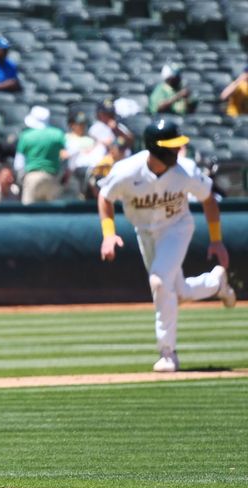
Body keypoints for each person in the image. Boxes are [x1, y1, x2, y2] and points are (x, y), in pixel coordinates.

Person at [97, 119, 236, 373]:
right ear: (156, 148)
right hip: (145, 232)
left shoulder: (186, 170)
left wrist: (216, 240)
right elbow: (105, 197)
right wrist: (108, 234)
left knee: (160, 283)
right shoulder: (128, 171)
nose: (177, 152)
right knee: (176, 292)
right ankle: (216, 282)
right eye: (172, 147)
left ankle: (168, 353)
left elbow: (208, 200)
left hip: (176, 228)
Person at [14, 105, 67, 204]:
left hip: (32, 178)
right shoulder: (58, 134)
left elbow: (19, 164)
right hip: (53, 178)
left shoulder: (26, 136)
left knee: (29, 214)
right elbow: (67, 156)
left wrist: (21, 180)